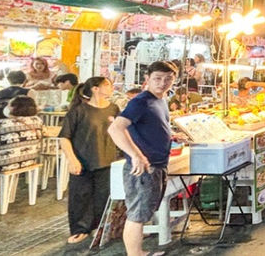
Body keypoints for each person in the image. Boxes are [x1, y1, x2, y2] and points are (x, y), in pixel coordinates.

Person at [107, 61, 179, 256]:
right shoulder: (141, 101)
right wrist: (136, 155)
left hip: (157, 164)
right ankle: (135, 254)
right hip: (143, 168)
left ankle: (139, 252)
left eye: (168, 79)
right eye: (157, 78)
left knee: (145, 211)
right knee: (137, 215)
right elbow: (115, 128)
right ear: (147, 79)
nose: (163, 83)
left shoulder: (161, 99)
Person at [59, 77, 120, 244]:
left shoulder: (114, 109)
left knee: (104, 196)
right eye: (107, 85)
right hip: (83, 159)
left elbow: (121, 132)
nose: (111, 88)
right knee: (81, 196)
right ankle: (80, 229)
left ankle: (100, 228)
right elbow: (64, 138)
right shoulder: (79, 111)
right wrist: (72, 160)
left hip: (108, 159)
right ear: (95, 88)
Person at [0, 95, 42, 206]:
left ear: (15, 108)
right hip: (28, 160)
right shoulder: (37, 121)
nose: (6, 107)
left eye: (9, 105)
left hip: (5, 163)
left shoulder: (1, 124)